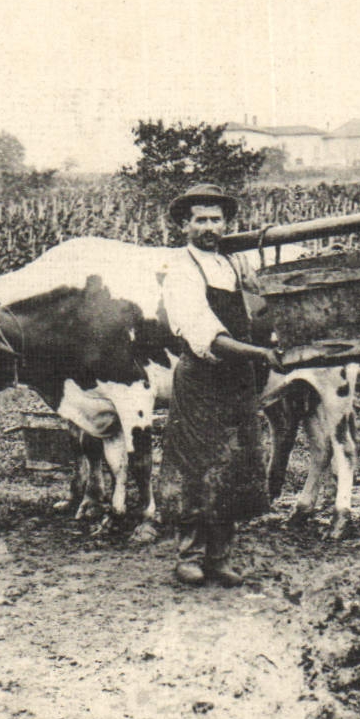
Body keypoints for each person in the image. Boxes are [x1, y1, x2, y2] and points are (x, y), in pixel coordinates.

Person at [157, 184, 284, 587]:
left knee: (234, 463)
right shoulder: (181, 270)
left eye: (216, 220)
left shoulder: (232, 265)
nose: (209, 227)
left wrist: (273, 336)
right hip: (202, 378)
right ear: (185, 226)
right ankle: (189, 556)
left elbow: (258, 310)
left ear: (227, 224)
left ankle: (220, 556)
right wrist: (260, 354)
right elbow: (205, 335)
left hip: (238, 379)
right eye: (201, 220)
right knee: (196, 464)